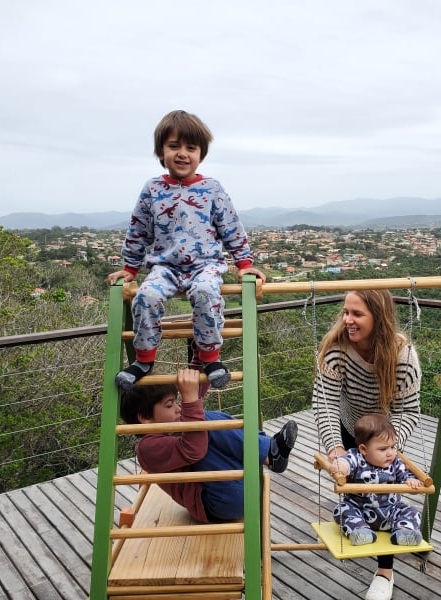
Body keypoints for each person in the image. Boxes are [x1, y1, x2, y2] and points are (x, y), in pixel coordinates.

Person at [107, 109, 265, 390]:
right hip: (164, 268)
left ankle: (211, 358)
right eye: (173, 146)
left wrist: (244, 264)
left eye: (190, 148)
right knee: (145, 296)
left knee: (206, 293)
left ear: (201, 154)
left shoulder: (211, 189)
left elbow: (231, 227)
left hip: (205, 265)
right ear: (160, 153)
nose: (182, 153)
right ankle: (143, 360)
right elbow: (138, 230)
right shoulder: (153, 189)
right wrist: (130, 269)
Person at [311, 289, 421, 600]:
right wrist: (335, 450)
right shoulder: (336, 349)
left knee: (384, 491)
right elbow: (326, 403)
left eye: (357, 314)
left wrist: (384, 446)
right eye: (346, 312)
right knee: (355, 489)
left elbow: (408, 410)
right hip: (347, 425)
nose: (347, 320)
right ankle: (358, 529)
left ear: (378, 317)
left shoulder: (403, 356)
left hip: (386, 429)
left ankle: (385, 571)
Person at [120, 368, 298, 523]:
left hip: (238, 488)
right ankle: (269, 452)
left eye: (176, 401)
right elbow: (194, 448)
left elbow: (196, 399)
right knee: (204, 421)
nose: (178, 408)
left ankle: (268, 453)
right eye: (169, 405)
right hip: (219, 503)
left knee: (204, 420)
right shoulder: (147, 448)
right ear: (145, 418)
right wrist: (189, 398)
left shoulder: (172, 429)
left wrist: (204, 354)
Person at [328, 414, 422, 548]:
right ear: (364, 449)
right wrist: (340, 466)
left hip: (390, 510)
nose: (390, 453)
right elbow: (346, 462)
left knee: (411, 511)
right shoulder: (356, 457)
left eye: (392, 447)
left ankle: (403, 532)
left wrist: (411, 481)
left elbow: (404, 474)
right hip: (360, 510)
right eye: (383, 449)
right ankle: (360, 531)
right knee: (341, 510)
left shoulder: (395, 461)